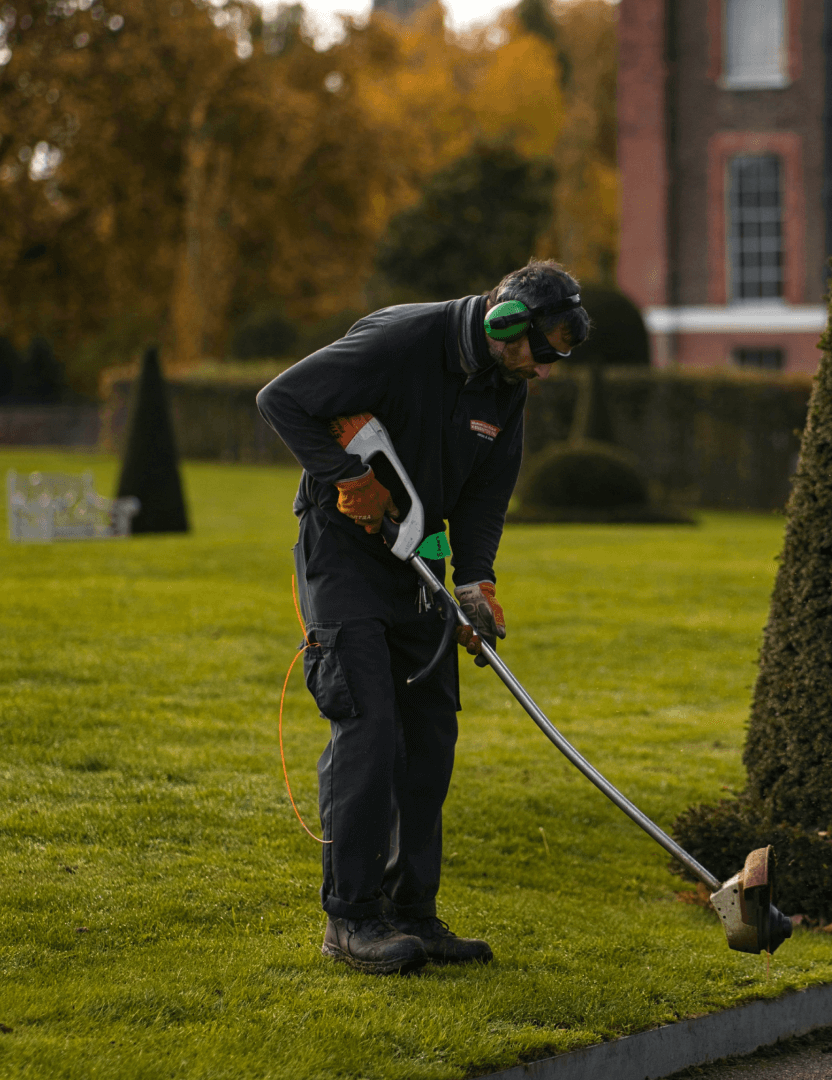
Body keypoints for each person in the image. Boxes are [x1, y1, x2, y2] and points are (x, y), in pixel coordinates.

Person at [256, 260, 591, 975]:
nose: (547, 368)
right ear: (504, 322)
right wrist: (348, 477)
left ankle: (413, 914)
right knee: (369, 724)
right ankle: (351, 920)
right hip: (343, 556)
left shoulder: (508, 387)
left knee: (430, 734)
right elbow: (281, 398)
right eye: (543, 348)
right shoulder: (402, 340)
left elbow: (483, 499)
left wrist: (475, 585)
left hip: (416, 561)